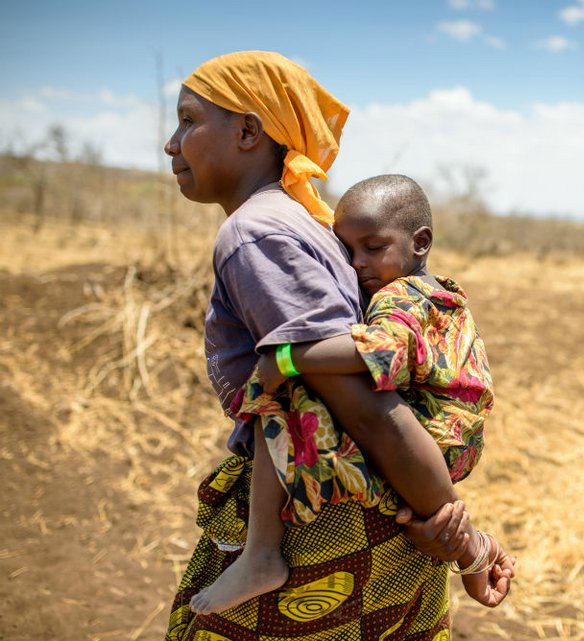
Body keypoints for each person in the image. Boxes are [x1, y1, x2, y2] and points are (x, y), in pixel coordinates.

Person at [163, 51, 513, 641]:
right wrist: (458, 533)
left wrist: (467, 542)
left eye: (188, 121)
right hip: (393, 520)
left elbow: (365, 407)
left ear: (250, 130)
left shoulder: (258, 233)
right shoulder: (309, 223)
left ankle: (260, 557)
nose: (173, 144)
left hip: (326, 531)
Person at [190, 173, 502, 614]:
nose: (357, 263)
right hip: (449, 443)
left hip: (431, 442)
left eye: (372, 248)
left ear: (421, 242)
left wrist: (285, 360)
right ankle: (475, 551)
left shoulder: (403, 297)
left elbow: (382, 349)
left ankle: (261, 554)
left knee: (281, 399)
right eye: (348, 251)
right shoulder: (438, 291)